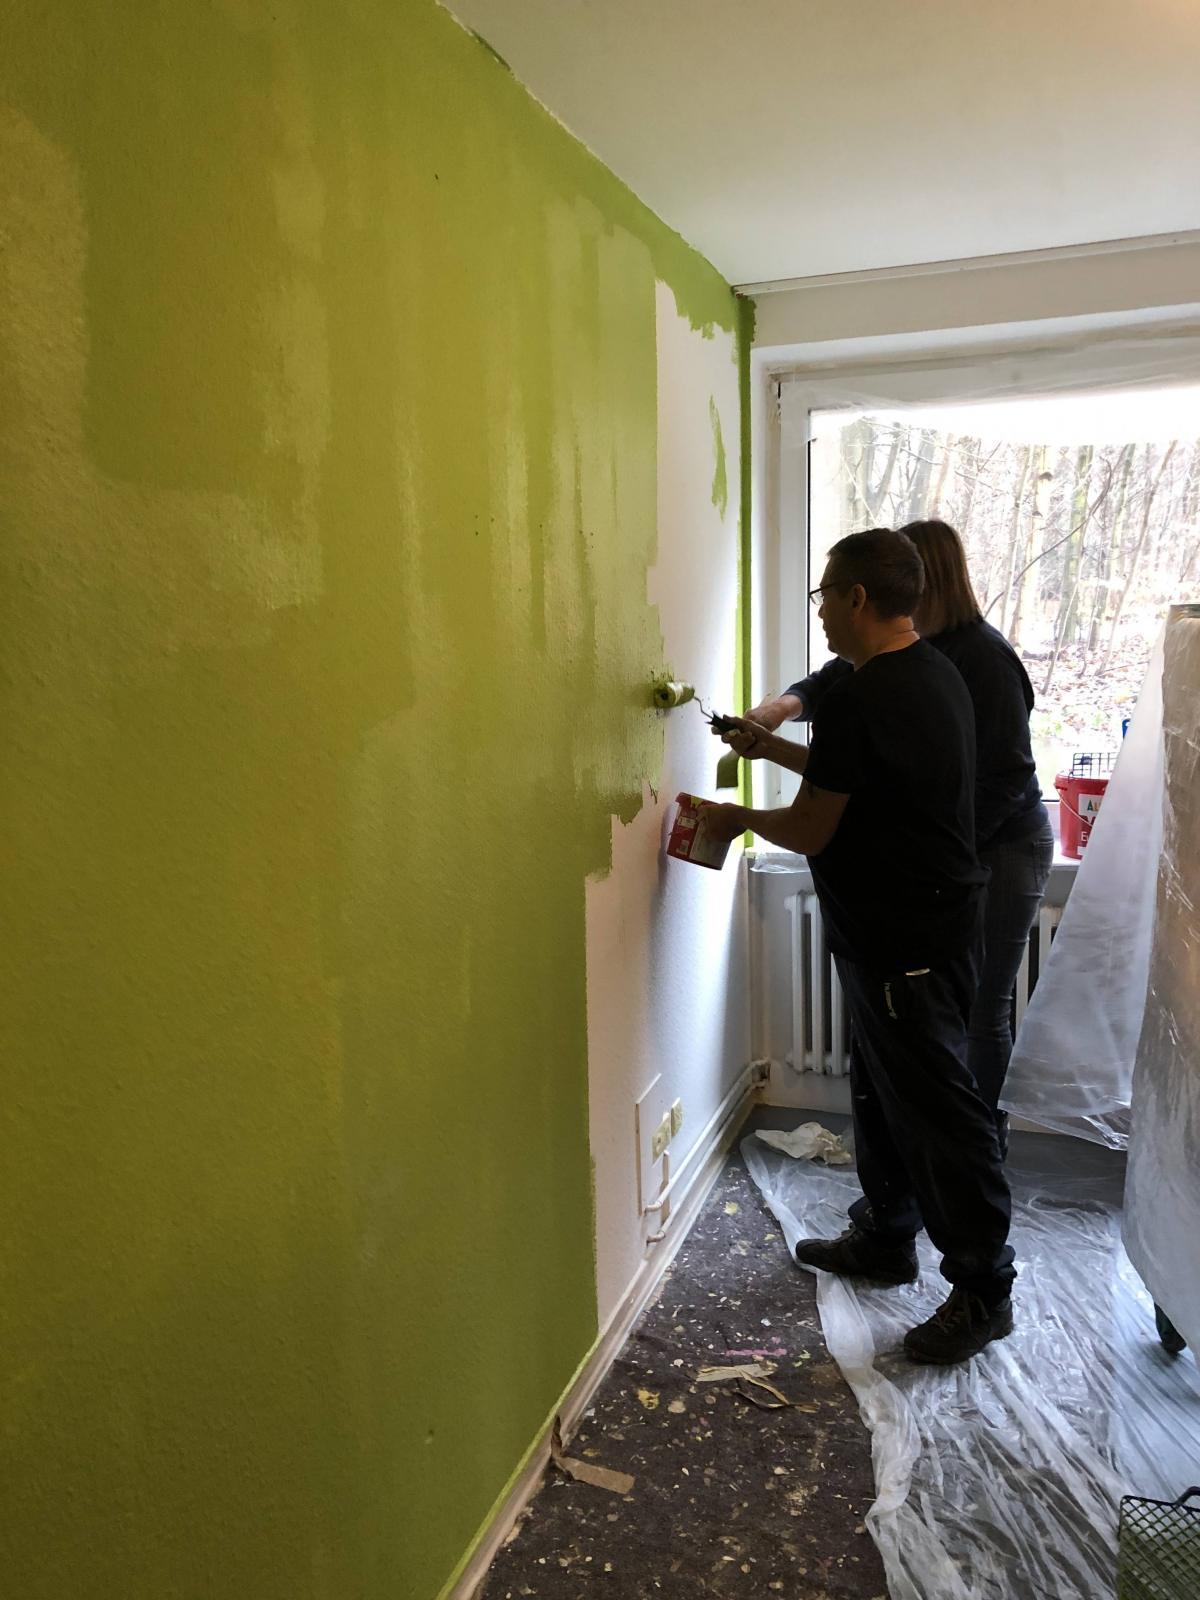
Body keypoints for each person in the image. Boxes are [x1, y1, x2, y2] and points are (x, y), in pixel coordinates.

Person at [701, 527, 1015, 1364]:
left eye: (824, 597)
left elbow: (812, 826)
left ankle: (984, 1290)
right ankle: (886, 1235)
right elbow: (858, 774)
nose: (820, 614)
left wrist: (733, 819)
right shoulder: (930, 672)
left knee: (941, 1113)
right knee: (880, 1089)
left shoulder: (866, 694)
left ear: (858, 599)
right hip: (918, 927)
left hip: (907, 938)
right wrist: (769, 742)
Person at [738, 519, 1054, 1143]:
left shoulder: (975, 660)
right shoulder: (885, 662)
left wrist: (937, 849)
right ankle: (927, 1162)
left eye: (829, 595)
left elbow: (1006, 776)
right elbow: (829, 691)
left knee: (981, 1008)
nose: (822, 610)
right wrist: (775, 717)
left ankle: (978, 1143)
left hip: (1003, 843)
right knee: (915, 1029)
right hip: (946, 859)